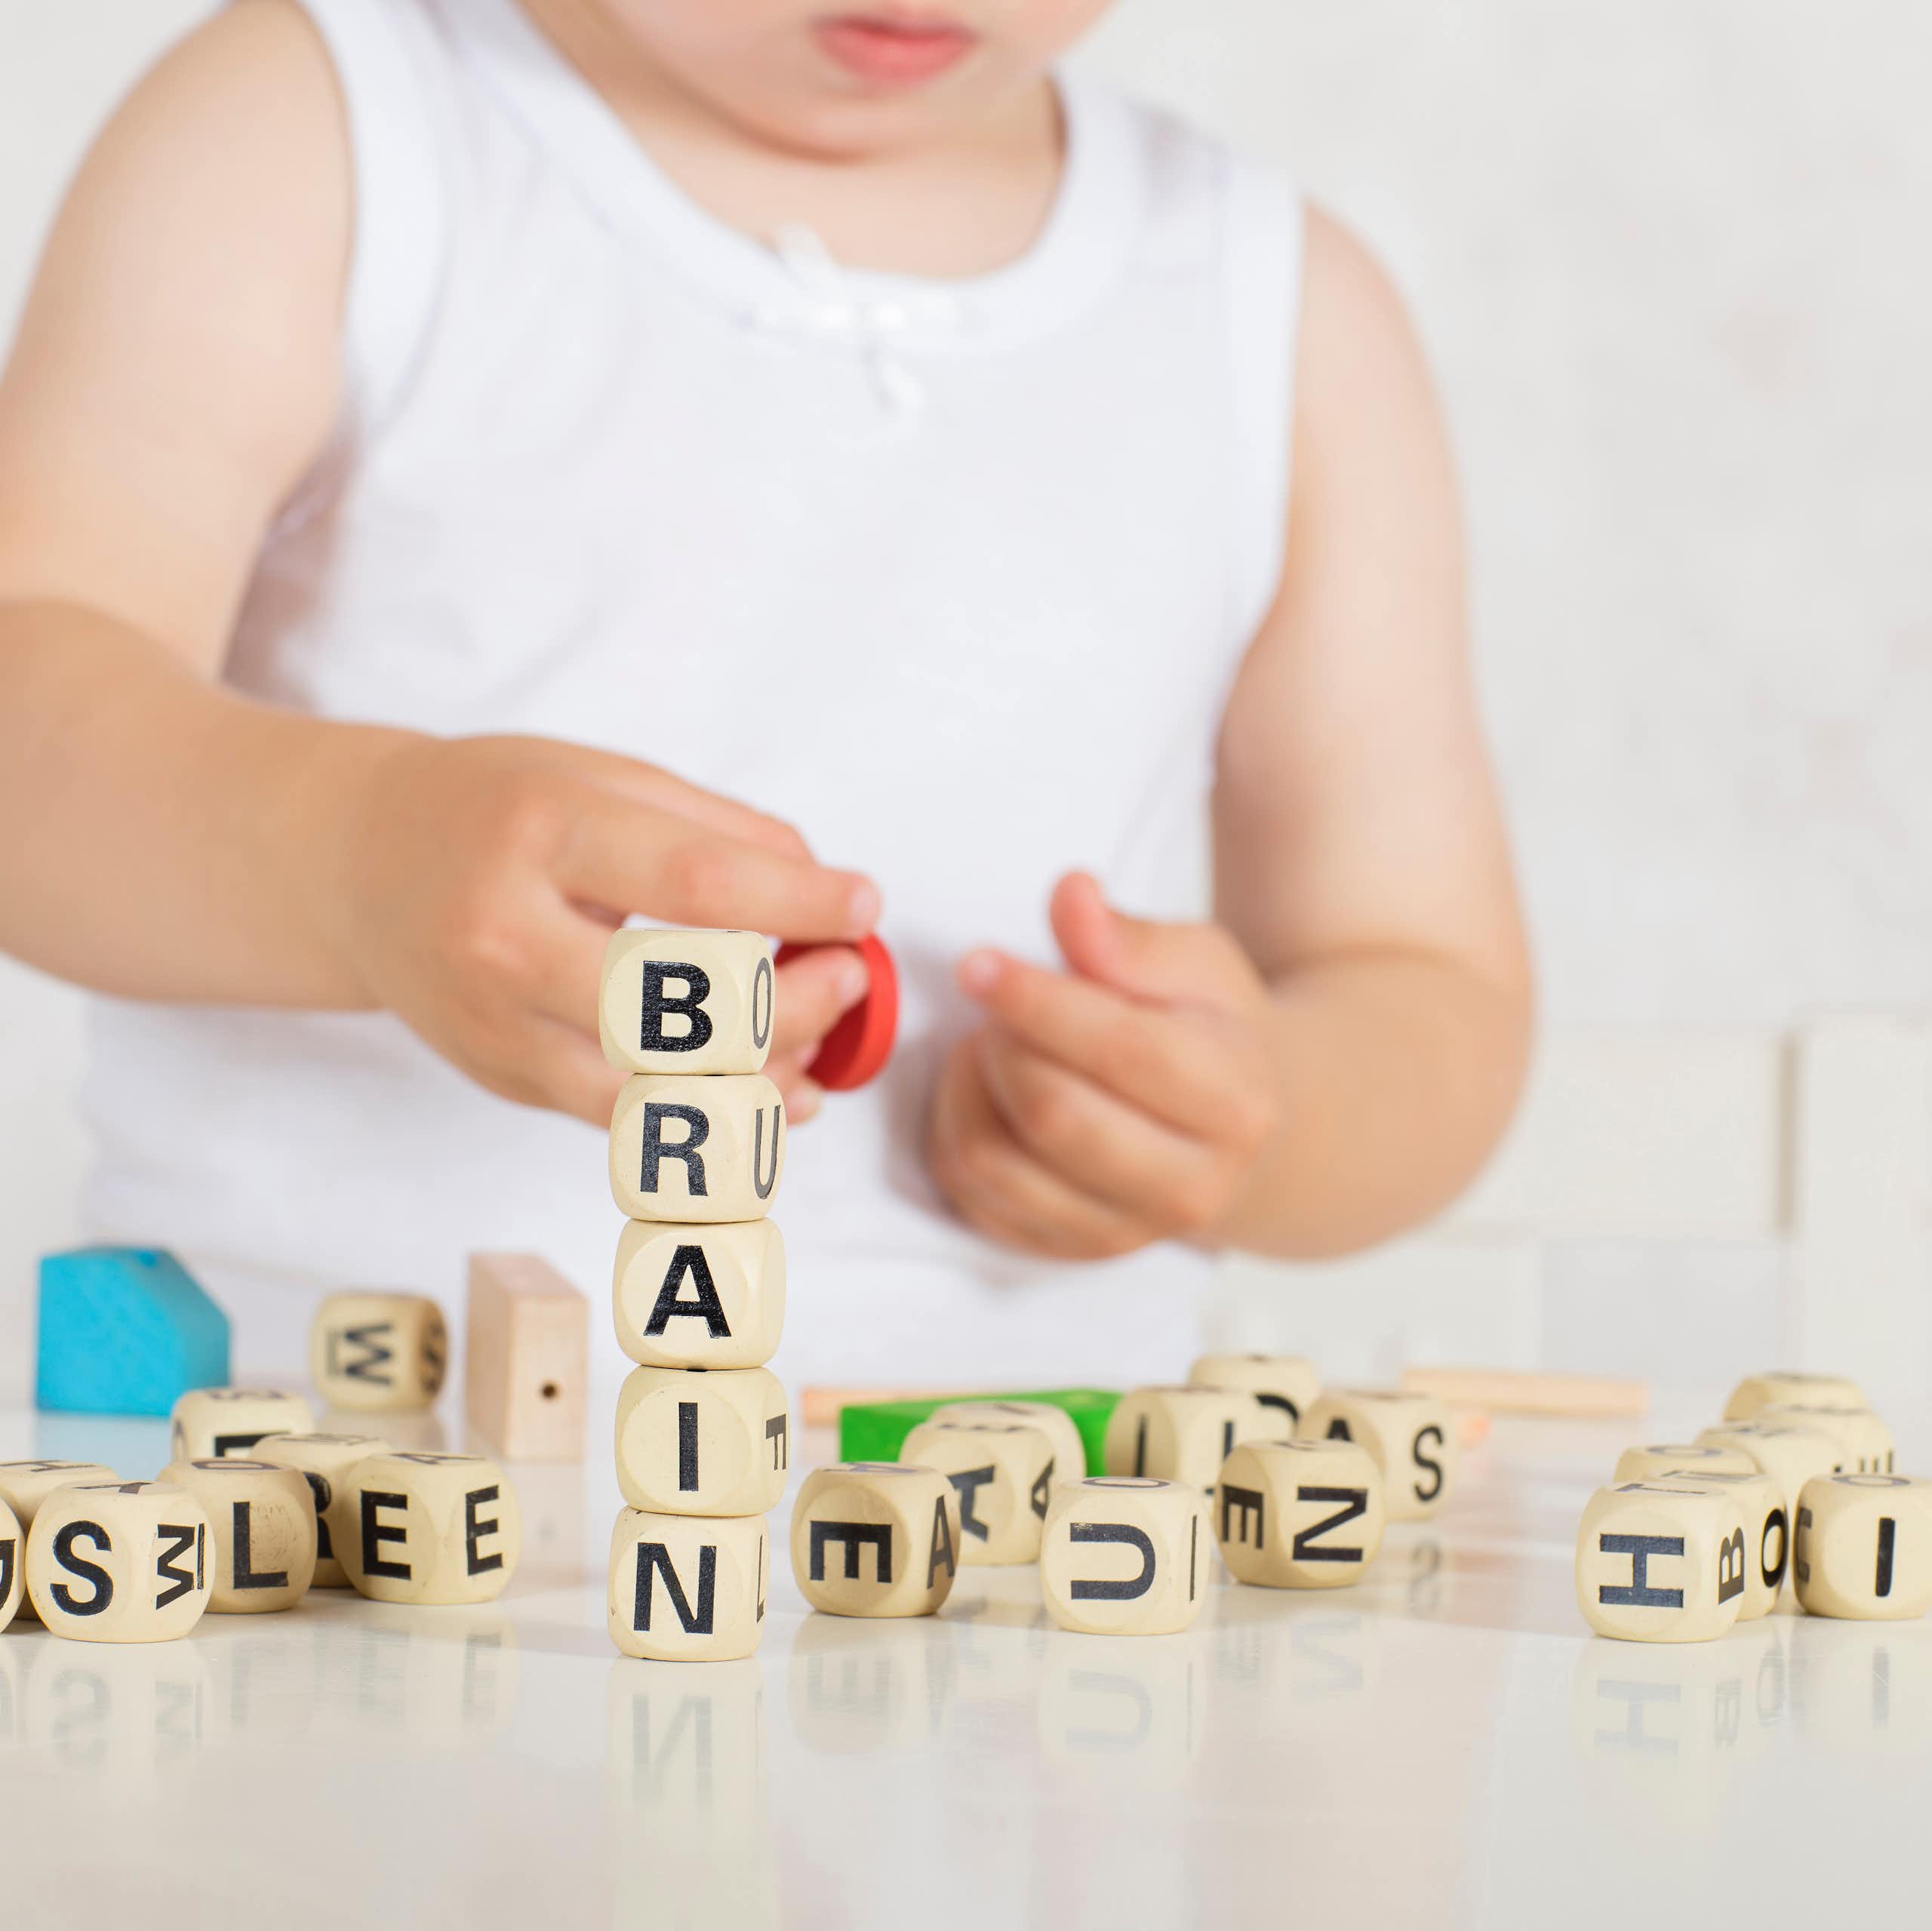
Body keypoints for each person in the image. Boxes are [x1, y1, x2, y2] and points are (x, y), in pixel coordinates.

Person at [0, 0, 1531, 1388]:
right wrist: (351, 857)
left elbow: (1420, 978)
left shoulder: (1277, 308)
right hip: (317, 1502)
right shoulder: (314, 129)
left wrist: (1253, 1119)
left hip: (1024, 1555)